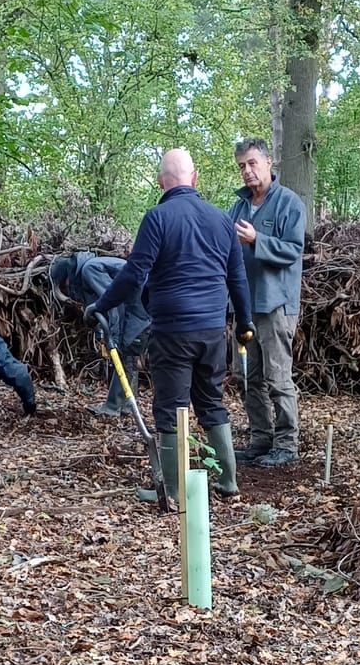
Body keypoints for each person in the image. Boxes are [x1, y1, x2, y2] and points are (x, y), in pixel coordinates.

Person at [90, 148, 253, 506]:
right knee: (211, 401)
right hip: (213, 332)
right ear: (194, 178)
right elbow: (237, 278)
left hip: (172, 332)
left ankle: (174, 492)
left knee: (171, 408)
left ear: (160, 181)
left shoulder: (157, 217)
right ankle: (228, 482)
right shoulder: (221, 219)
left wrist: (100, 305)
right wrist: (245, 322)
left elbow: (134, 275)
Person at [225, 138, 307, 466]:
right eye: (241, 166)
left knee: (277, 377)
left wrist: (257, 239)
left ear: (268, 162)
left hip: (276, 306)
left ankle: (286, 444)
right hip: (243, 306)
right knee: (246, 376)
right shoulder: (238, 207)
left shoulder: (289, 203)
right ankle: (260, 438)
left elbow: (293, 250)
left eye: (252, 163)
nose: (247, 171)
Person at [51, 252, 149, 417]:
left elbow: (114, 302)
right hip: (137, 307)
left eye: (64, 284)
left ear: (67, 276)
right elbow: (101, 308)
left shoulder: (90, 269)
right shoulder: (90, 272)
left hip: (139, 308)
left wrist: (114, 337)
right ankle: (127, 406)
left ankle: (112, 407)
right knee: (128, 356)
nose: (65, 288)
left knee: (124, 354)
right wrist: (103, 334)